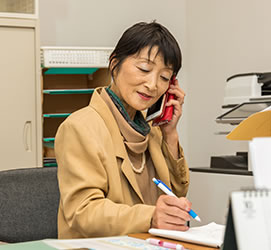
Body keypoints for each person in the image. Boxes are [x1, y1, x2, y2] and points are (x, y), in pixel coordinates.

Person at [55, 21, 191, 239]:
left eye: (164, 77)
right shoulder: (79, 128)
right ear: (114, 63)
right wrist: (150, 217)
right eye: (144, 69)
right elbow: (83, 212)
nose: (153, 84)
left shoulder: (152, 131)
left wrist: (170, 134)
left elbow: (175, 194)